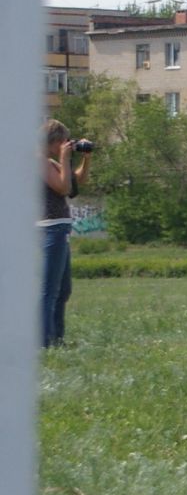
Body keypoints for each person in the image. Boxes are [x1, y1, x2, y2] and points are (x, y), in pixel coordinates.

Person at [41, 120, 91, 348]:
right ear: (51, 142)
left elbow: (74, 182)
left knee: (63, 289)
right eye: (63, 141)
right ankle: (44, 341)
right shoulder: (38, 162)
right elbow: (62, 188)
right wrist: (64, 157)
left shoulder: (51, 161)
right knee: (49, 290)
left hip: (60, 228)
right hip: (49, 228)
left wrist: (85, 158)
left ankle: (56, 338)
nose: (66, 144)